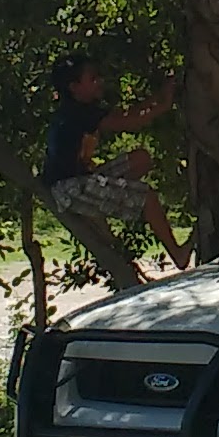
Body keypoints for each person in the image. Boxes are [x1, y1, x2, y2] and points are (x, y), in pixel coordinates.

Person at [40, 57, 187, 289]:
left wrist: (159, 95)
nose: (100, 81)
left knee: (140, 159)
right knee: (147, 197)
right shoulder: (77, 113)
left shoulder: (82, 109)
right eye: (92, 79)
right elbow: (128, 122)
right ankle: (178, 254)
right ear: (74, 87)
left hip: (82, 179)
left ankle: (106, 207)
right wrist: (163, 104)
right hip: (70, 188)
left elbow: (126, 114)